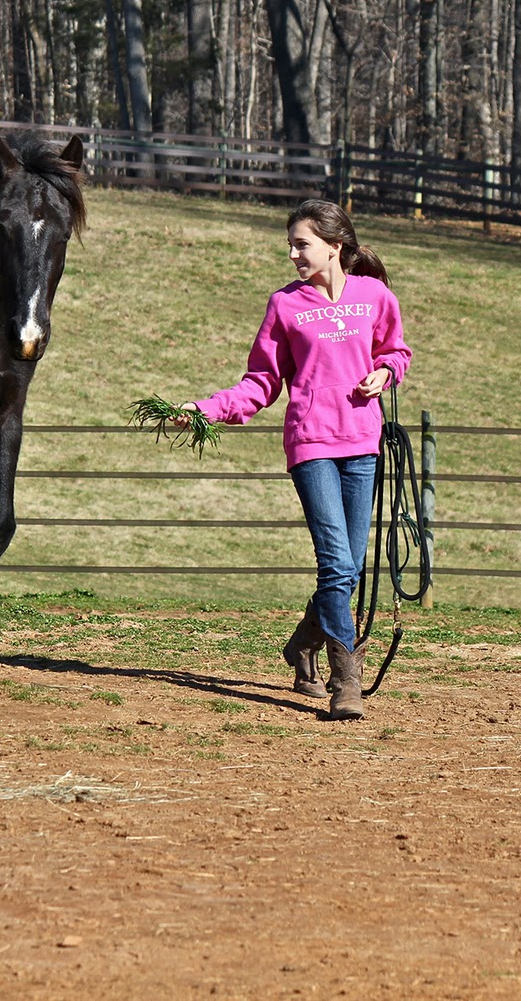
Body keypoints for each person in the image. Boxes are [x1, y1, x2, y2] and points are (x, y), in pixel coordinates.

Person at [181, 199, 411, 721]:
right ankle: (345, 679)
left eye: (301, 244)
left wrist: (385, 373)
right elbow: (261, 382)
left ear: (335, 245)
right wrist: (206, 410)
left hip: (362, 444)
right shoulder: (285, 305)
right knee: (335, 562)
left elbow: (395, 351)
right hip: (311, 446)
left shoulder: (374, 296)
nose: (292, 254)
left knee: (348, 571)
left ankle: (302, 644)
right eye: (290, 244)